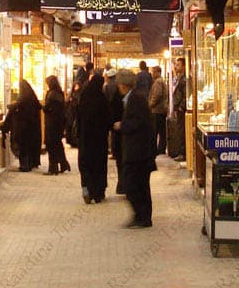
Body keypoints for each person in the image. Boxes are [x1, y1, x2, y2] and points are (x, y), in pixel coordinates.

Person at [114, 69, 156, 227]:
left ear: (123, 85)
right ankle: (142, 217)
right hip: (138, 152)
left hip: (139, 153)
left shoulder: (135, 100)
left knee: (133, 184)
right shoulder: (132, 98)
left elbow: (139, 123)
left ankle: (142, 216)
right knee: (140, 185)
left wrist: (121, 125)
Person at [76, 72, 112, 203]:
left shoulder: (84, 97)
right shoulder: (102, 99)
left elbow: (78, 117)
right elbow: (108, 119)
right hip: (99, 140)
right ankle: (98, 192)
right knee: (99, 165)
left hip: (85, 138)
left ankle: (86, 189)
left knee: (86, 164)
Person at [12, 79, 43, 172]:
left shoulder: (23, 98)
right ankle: (31, 163)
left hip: (24, 127)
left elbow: (17, 106)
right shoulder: (32, 97)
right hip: (33, 127)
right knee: (30, 145)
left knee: (24, 146)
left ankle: (25, 165)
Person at [43, 75, 71, 175]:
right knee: (57, 144)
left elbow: (47, 108)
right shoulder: (59, 93)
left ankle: (53, 168)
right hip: (59, 123)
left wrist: (44, 107)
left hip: (52, 123)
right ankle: (63, 164)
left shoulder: (52, 94)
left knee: (52, 145)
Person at [169, 56, 187, 162]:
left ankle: (183, 153)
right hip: (179, 108)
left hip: (181, 109)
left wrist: (181, 107)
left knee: (182, 130)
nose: (176, 67)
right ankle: (181, 152)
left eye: (178, 65)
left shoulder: (184, 79)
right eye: (176, 64)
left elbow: (185, 94)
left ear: (184, 66)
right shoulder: (180, 77)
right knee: (180, 130)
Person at [148, 65, 168, 156]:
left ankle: (157, 149)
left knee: (156, 130)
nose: (152, 74)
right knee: (161, 131)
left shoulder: (158, 82)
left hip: (157, 110)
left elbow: (157, 95)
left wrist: (150, 105)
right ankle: (161, 148)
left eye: (153, 72)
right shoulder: (160, 81)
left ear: (157, 72)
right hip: (161, 109)